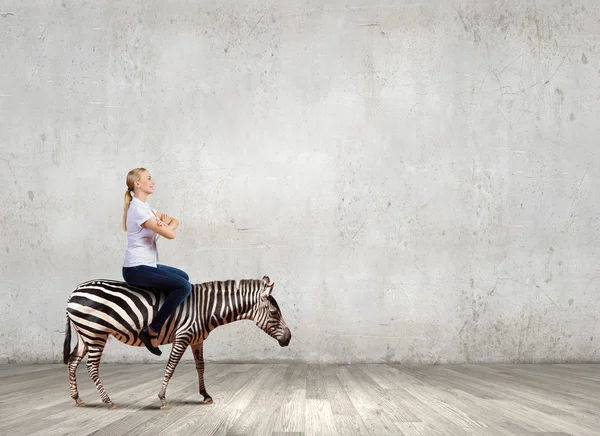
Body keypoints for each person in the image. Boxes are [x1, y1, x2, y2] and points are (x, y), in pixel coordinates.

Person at [121, 167, 192, 356]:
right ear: (137, 183)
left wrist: (164, 224)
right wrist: (164, 226)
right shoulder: (138, 210)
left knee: (183, 277)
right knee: (184, 287)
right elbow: (171, 235)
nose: (153, 182)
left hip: (147, 265)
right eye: (149, 178)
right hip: (136, 268)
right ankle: (152, 329)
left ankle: (159, 311)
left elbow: (175, 222)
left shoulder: (147, 209)